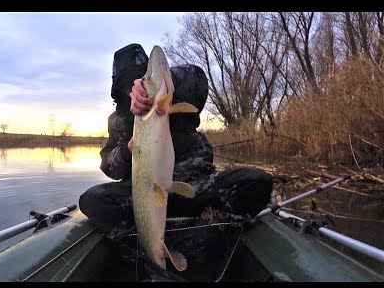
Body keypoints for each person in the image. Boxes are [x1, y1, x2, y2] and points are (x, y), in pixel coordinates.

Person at [79, 43, 273, 264]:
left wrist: (162, 81)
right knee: (92, 200)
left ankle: (212, 225)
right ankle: (147, 243)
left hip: (196, 190)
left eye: (140, 81)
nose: (134, 92)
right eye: (128, 87)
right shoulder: (118, 120)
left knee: (257, 182)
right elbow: (109, 166)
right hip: (148, 194)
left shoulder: (178, 95)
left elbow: (198, 78)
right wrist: (127, 149)